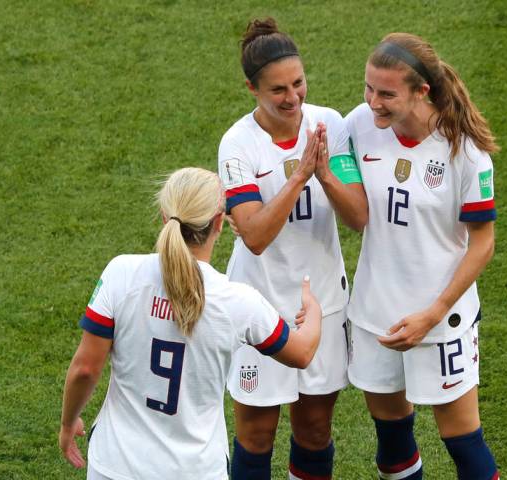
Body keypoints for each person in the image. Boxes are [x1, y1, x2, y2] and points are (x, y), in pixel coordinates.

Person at [58, 167, 322, 480]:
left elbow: (85, 369)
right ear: (219, 223)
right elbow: (302, 353)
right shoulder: (237, 301)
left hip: (116, 465)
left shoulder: (121, 274)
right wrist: (314, 312)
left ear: (163, 216)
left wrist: (67, 422)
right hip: (196, 470)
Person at [345, 33, 501, 480]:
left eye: (387, 93)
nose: (374, 101)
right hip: (376, 314)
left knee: (463, 441)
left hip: (441, 318)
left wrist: (432, 314)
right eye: (369, 88)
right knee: (391, 440)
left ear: (421, 92)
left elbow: (482, 244)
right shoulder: (358, 125)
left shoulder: (466, 155)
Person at [218, 18, 367, 480]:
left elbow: (358, 217)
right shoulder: (238, 144)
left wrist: (324, 174)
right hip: (258, 300)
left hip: (323, 300)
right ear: (252, 88)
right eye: (278, 89)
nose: (293, 98)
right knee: (257, 434)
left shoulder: (331, 125)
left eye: (298, 83)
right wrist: (300, 174)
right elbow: (255, 236)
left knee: (316, 429)